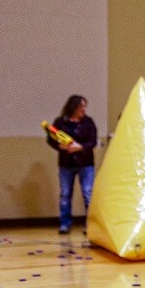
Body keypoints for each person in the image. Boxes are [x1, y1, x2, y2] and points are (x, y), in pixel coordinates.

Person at [47, 95, 97, 235]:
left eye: (84, 106)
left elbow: (92, 141)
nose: (83, 109)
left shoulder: (88, 122)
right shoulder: (61, 122)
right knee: (65, 194)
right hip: (66, 163)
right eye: (81, 106)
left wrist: (80, 147)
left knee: (88, 193)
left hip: (85, 163)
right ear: (73, 107)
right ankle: (65, 224)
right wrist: (60, 146)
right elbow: (51, 137)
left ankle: (90, 224)